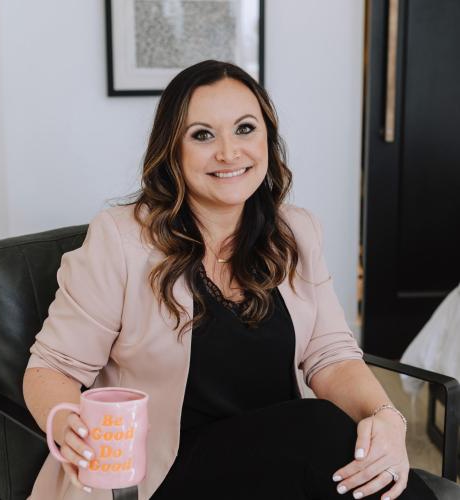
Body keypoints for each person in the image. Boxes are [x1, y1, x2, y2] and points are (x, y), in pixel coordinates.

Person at [23, 60, 436, 500]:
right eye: (203, 135)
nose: (229, 152)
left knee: (343, 444)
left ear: (267, 139)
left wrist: (386, 416)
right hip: (160, 474)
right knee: (319, 426)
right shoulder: (121, 240)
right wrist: (69, 428)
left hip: (278, 464)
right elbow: (51, 368)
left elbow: (331, 356)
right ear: (173, 150)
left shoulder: (295, 232)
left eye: (245, 129)